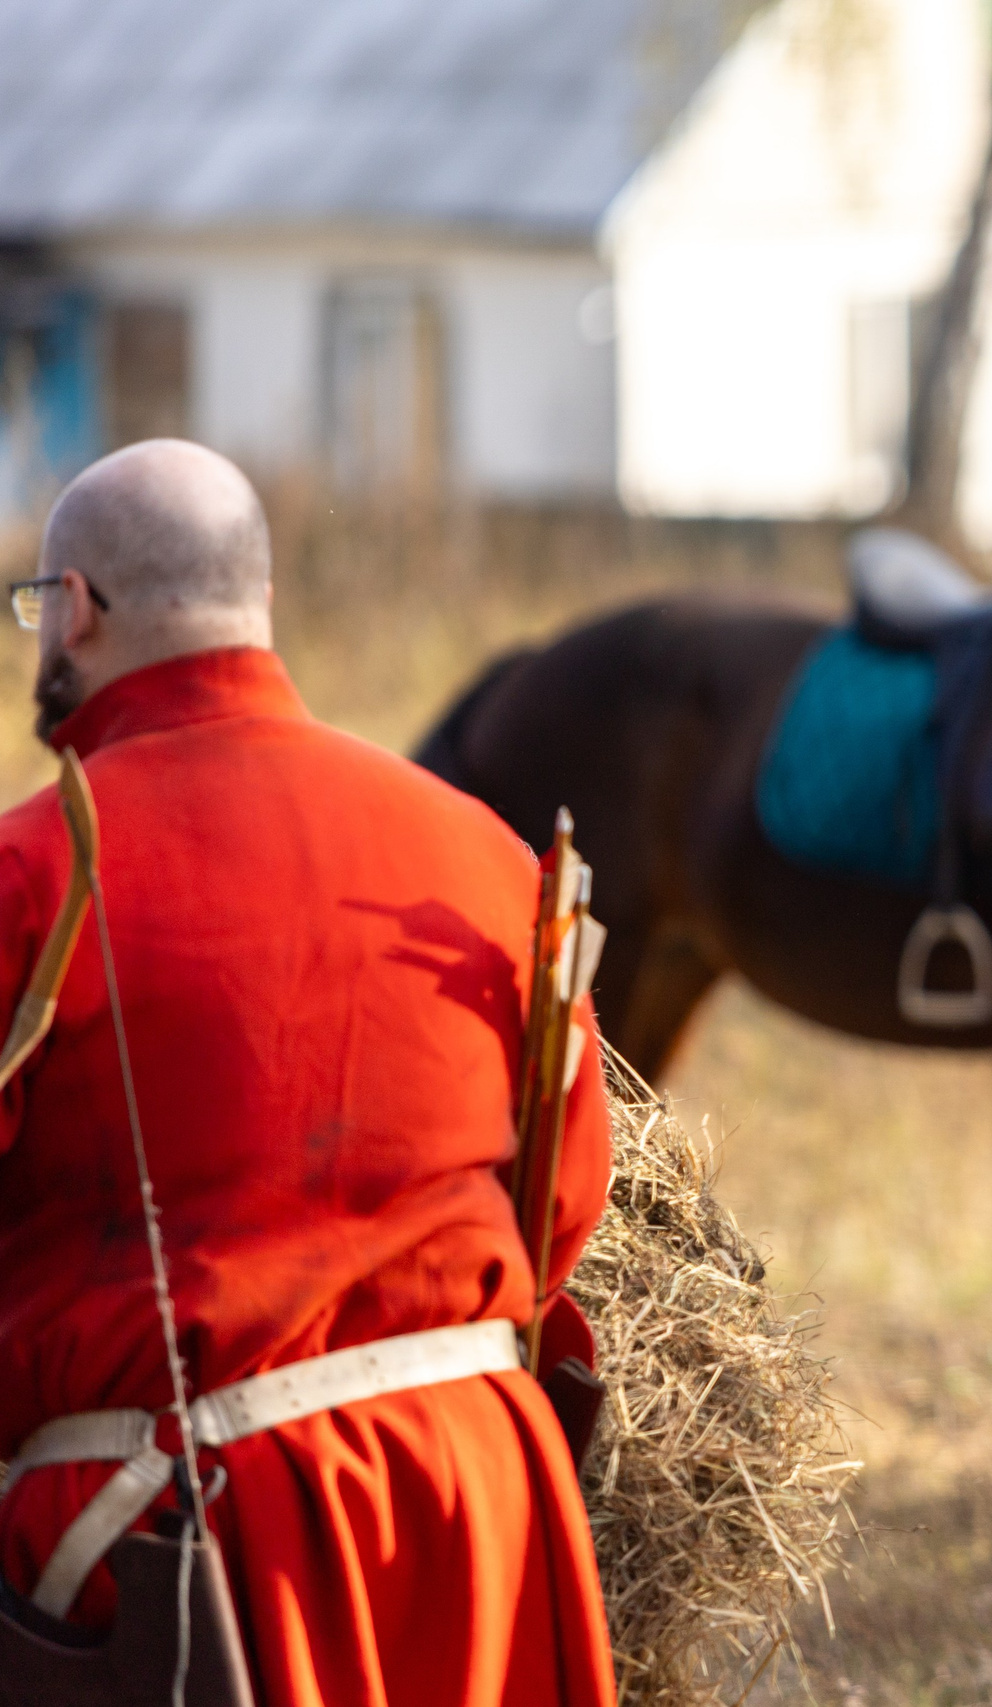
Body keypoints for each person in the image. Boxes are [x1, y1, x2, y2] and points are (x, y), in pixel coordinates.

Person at [0, 440, 616, 1705]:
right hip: (481, 1506)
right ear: (260, 606)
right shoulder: (484, 851)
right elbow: (560, 1211)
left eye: (33, 613)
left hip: (185, 1546)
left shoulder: (26, 877)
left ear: (73, 612)